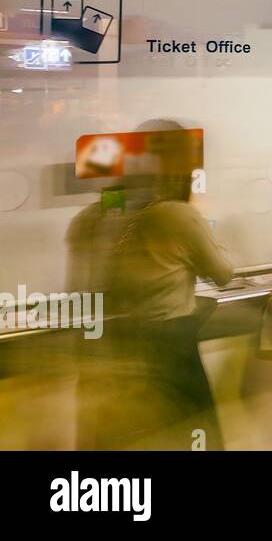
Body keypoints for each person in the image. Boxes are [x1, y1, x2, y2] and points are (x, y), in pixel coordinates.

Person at [79, 121, 233, 450]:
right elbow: (222, 274)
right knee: (189, 436)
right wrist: (199, 214)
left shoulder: (103, 212)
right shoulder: (178, 215)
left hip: (121, 344)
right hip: (172, 347)